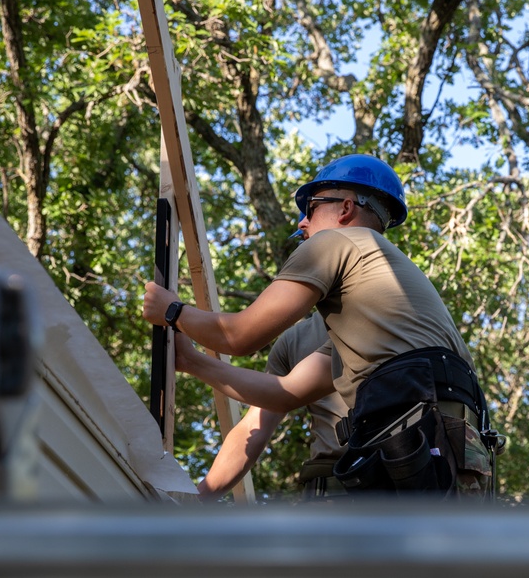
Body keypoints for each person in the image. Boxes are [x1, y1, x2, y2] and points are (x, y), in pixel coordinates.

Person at [144, 154, 493, 497]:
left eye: (311, 207)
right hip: (454, 457)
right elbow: (285, 393)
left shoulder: (336, 242)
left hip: (412, 438)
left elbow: (240, 336)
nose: (301, 223)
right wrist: (192, 362)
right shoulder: (383, 325)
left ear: (345, 208)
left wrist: (173, 311)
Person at [186, 312, 349, 501]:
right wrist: (195, 502)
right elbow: (253, 427)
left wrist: (177, 315)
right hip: (328, 494)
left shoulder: (380, 306)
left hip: (386, 481)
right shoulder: (294, 339)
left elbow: (237, 335)